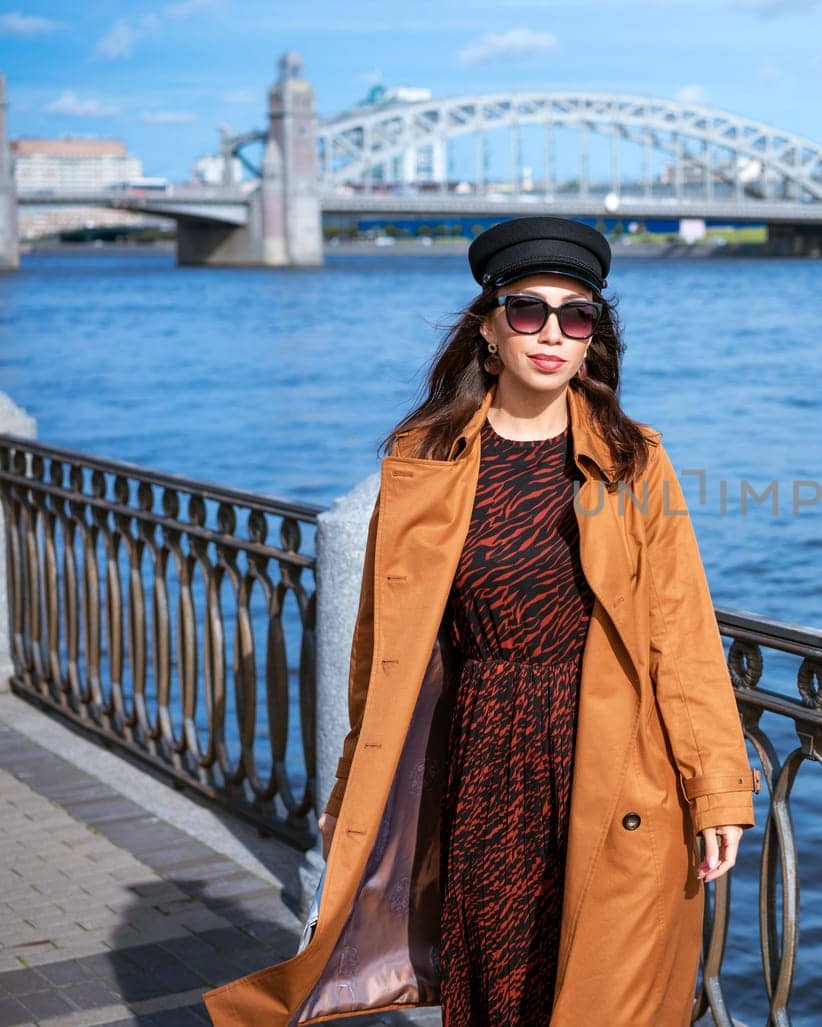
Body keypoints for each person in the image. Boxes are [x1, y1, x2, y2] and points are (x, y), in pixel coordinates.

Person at [202, 216, 759, 1026]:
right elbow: (381, 649)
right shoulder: (425, 460)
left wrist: (718, 791)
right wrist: (354, 777)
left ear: (592, 338)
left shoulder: (634, 459)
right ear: (490, 328)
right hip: (486, 756)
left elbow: (683, 630)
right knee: (498, 983)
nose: (553, 334)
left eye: (577, 316)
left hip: (612, 760)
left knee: (604, 987)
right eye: (529, 310)